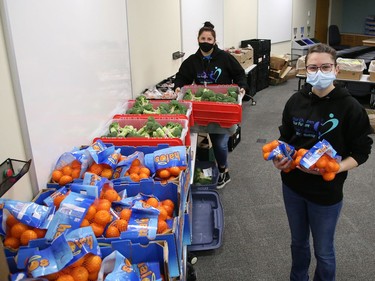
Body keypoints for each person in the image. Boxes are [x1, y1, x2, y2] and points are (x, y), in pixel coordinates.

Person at [273, 43, 373, 280]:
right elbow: (285, 138)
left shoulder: (350, 107)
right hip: (293, 186)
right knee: (297, 244)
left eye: (325, 66)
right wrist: (280, 157)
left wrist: (338, 167)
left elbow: (361, 152)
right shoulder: (295, 101)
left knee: (324, 251)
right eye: (313, 67)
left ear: (336, 70)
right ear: (305, 70)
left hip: (327, 192)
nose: (319, 72)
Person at [174, 21, 249, 189]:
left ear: (214, 41)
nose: (206, 41)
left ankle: (224, 170)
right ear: (198, 40)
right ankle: (191, 173)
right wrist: (177, 86)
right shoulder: (192, 61)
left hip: (221, 109)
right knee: (192, 140)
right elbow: (182, 77)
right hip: (201, 108)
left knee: (219, 143)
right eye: (203, 38)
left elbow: (239, 74)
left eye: (209, 38)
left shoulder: (225, 58)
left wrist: (242, 87)